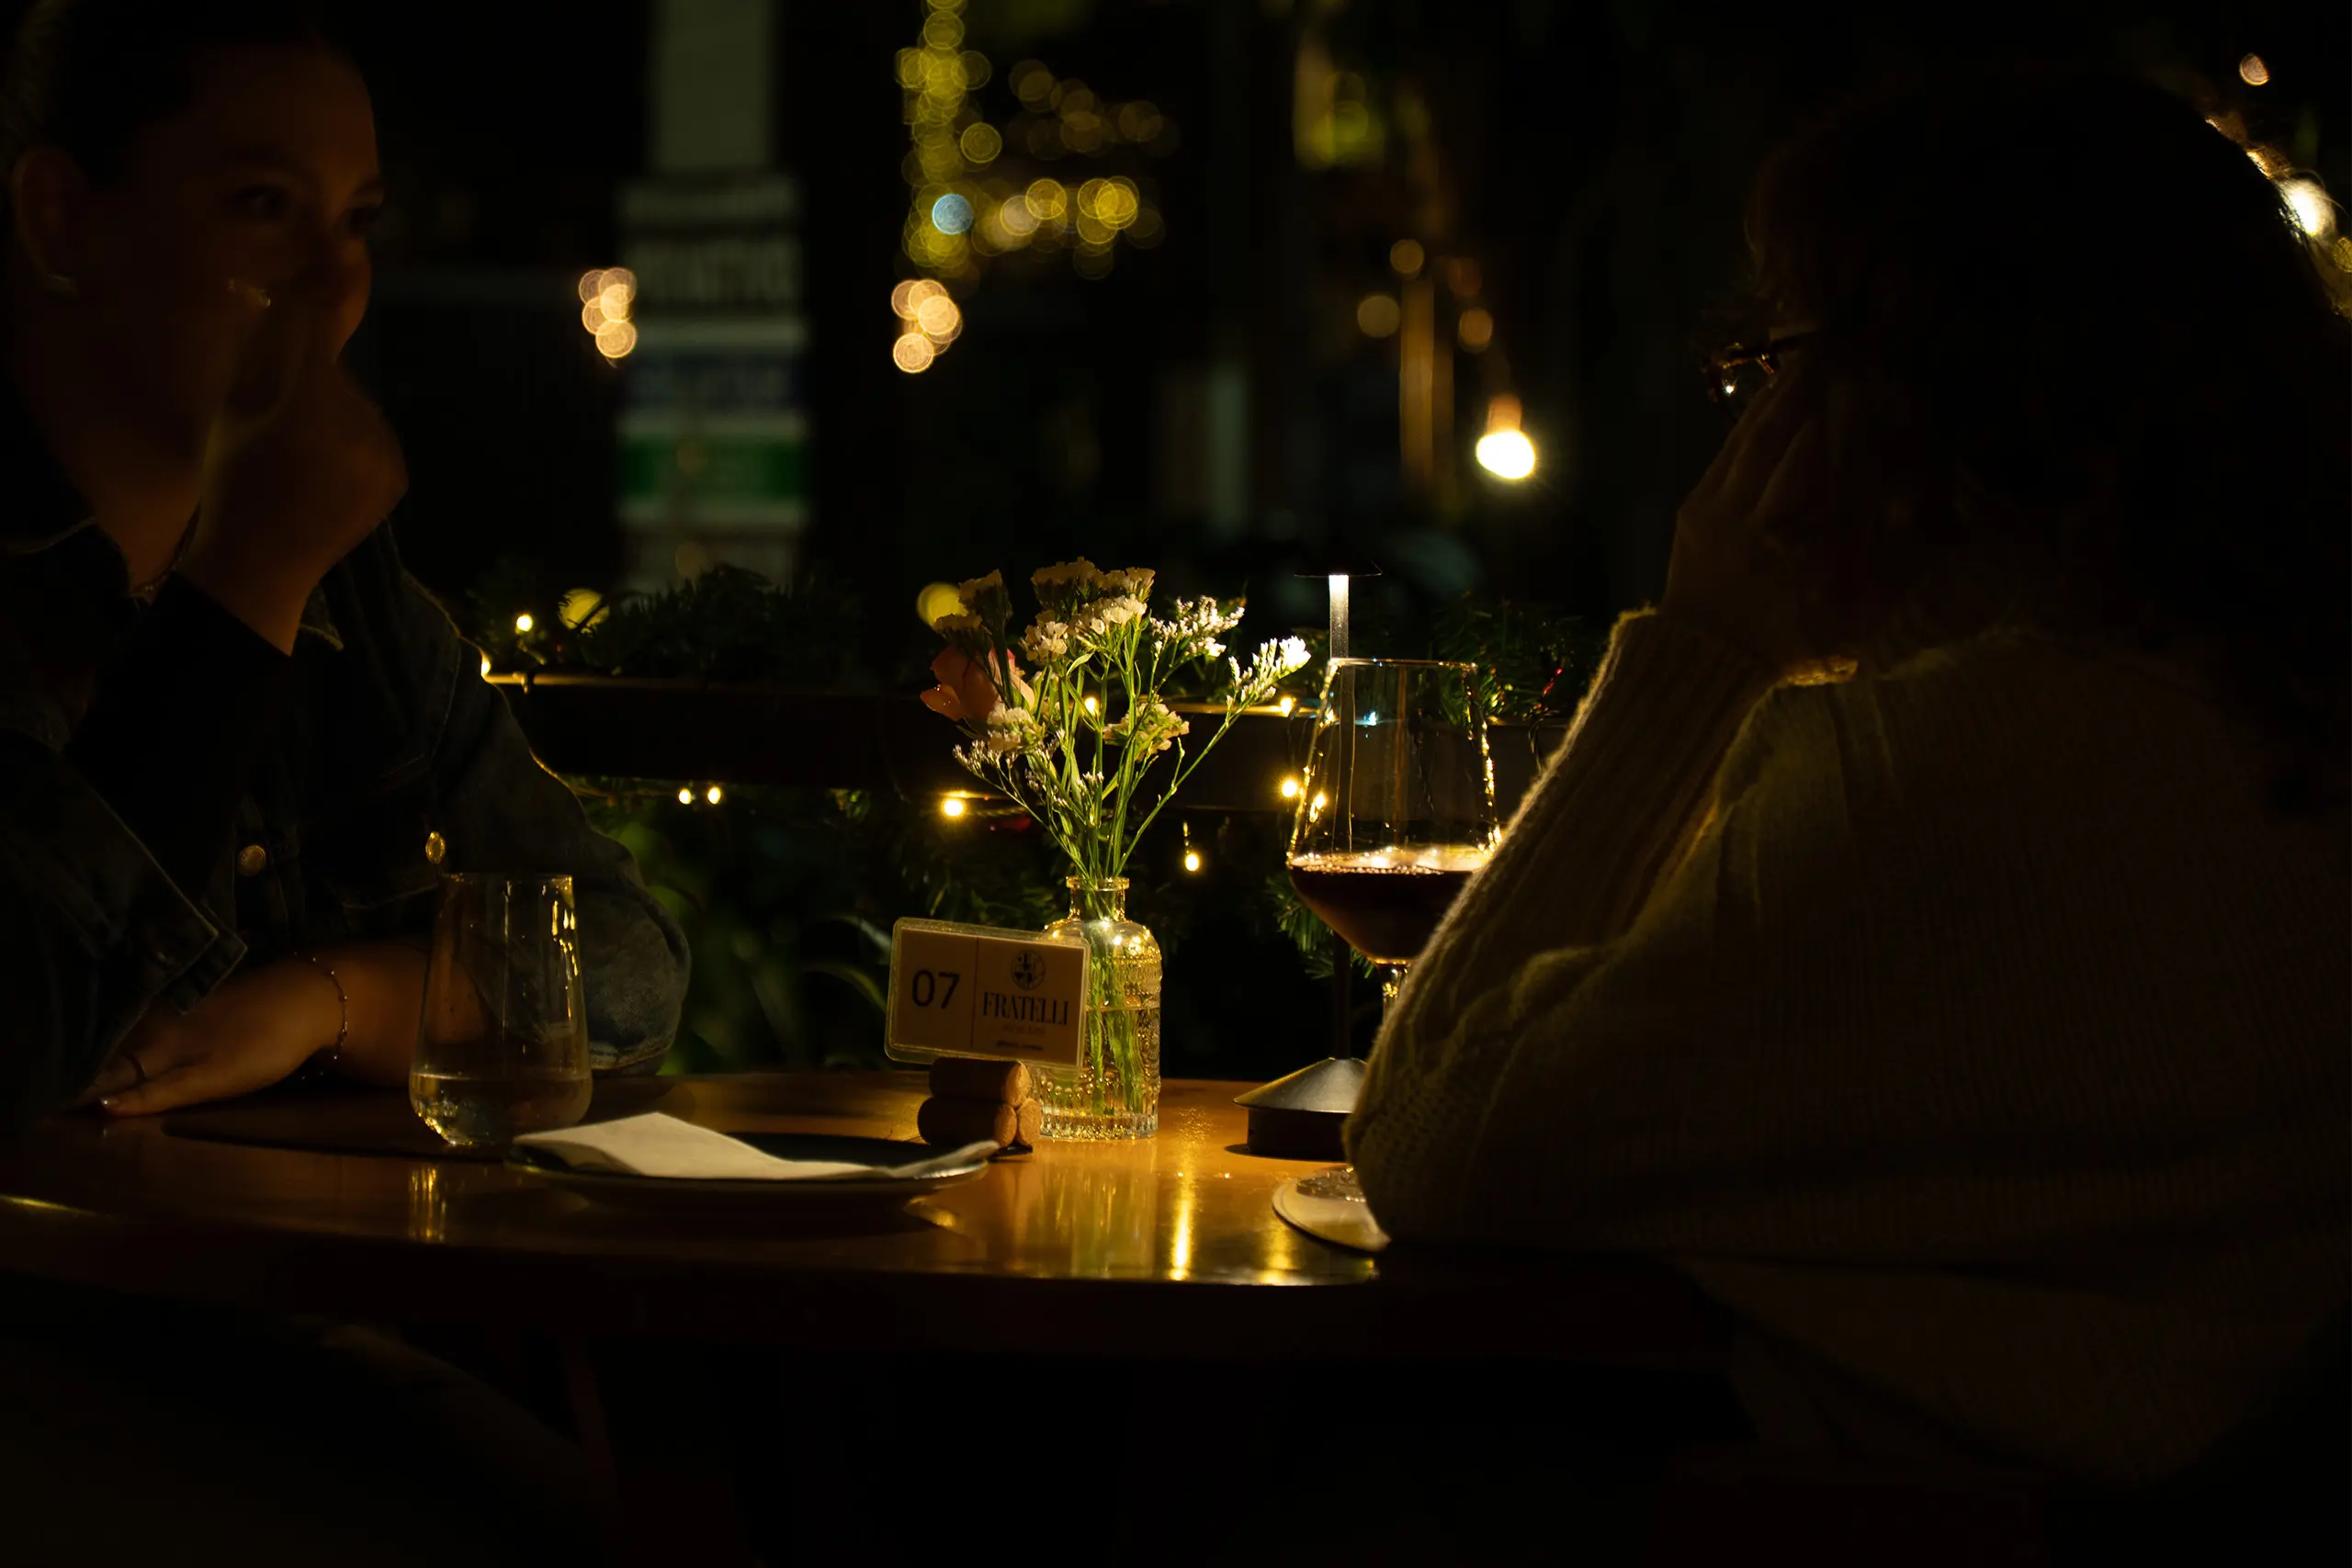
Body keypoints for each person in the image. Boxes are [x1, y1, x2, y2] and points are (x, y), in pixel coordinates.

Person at [1351, 70, 2349, 1493]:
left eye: (1777, 356)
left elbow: (1440, 1139)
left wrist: (1703, 649)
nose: (1755, 415)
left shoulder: (1939, 776)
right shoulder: (2272, 717)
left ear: (1901, 388)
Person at [0, 0, 688, 1126]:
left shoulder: (350, 601)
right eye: (263, 207)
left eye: (357, 220)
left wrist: (327, 1003)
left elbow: (625, 969)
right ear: (64, 220)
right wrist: (247, 577)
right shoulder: (258, 571)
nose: (332, 283)